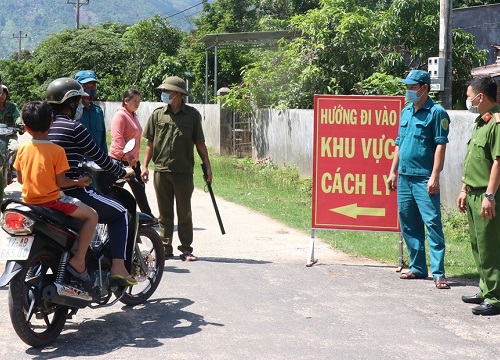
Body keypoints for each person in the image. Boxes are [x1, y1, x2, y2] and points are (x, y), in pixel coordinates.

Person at [46, 77, 137, 285]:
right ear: (71, 103)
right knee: (121, 212)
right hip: (72, 191)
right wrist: (121, 171)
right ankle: (118, 267)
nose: (80, 105)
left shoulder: (45, 128)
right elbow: (100, 157)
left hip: (47, 191)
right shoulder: (75, 128)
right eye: (78, 101)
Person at [14, 100, 98, 283]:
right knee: (92, 216)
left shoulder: (22, 149)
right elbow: (62, 182)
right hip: (53, 201)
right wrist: (79, 182)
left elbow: (20, 179)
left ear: (26, 128)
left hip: (28, 202)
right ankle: (79, 260)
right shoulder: (57, 151)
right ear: (51, 123)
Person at [387, 69, 451, 289]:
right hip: (404, 176)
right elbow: (399, 143)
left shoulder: (437, 112)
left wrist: (435, 175)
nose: (408, 91)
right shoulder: (406, 112)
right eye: (407, 87)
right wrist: (392, 171)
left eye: (412, 87)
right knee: (409, 223)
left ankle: (439, 272)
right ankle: (418, 268)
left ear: (424, 88)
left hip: (424, 178)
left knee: (432, 223)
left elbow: (440, 145)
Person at [141, 76, 212, 261]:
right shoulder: (157, 114)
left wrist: (208, 168)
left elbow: (200, 144)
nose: (164, 94)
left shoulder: (192, 115)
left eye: (167, 91)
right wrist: (145, 165)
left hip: (183, 172)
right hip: (161, 171)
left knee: (184, 212)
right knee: (164, 214)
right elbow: (150, 142)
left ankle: (186, 249)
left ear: (178, 94)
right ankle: (164, 248)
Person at [458, 76, 500, 316]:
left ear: (480, 97)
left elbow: (498, 162)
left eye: (468, 95)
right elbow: (472, 160)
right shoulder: (480, 123)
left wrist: (490, 195)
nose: (468, 99)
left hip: (487, 194)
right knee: (478, 245)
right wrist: (464, 189)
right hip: (473, 193)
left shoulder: (496, 123)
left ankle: (496, 297)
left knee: (490, 246)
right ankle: (485, 289)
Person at [109, 88, 156, 220]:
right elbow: (117, 137)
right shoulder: (121, 116)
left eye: (139, 101)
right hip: (121, 160)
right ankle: (111, 215)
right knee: (115, 189)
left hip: (133, 161)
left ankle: (148, 217)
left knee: (139, 188)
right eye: (135, 101)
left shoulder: (132, 115)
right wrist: (128, 155)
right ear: (126, 101)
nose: (137, 103)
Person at [74, 70, 108, 152]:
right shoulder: (72, 112)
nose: (90, 90)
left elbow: (103, 143)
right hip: (78, 163)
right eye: (86, 86)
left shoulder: (98, 112)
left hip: (96, 162)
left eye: (93, 86)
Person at [0, 82, 23, 197]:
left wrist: (20, 125)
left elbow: (17, 117)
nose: (1, 95)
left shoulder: (12, 106)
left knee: (15, 148)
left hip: (10, 134)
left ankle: (13, 169)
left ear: (6, 94)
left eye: (4, 93)